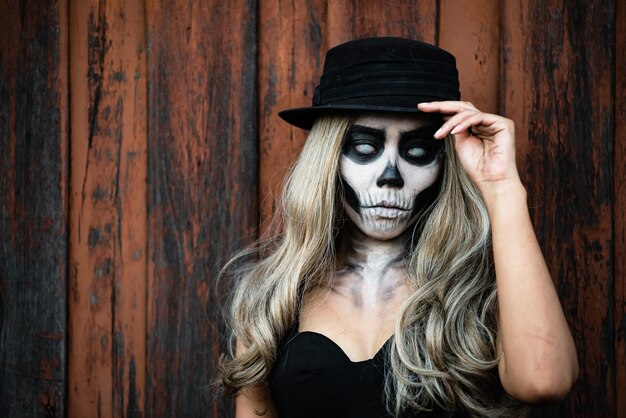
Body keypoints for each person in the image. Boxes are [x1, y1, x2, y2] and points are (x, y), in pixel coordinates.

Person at [219, 37, 578, 417]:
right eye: (363, 147)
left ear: (445, 167)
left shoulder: (483, 290)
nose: (390, 176)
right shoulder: (273, 299)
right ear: (328, 160)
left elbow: (544, 381)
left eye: (418, 151)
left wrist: (501, 187)